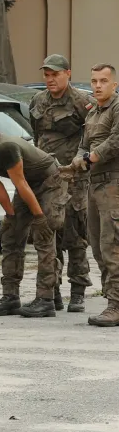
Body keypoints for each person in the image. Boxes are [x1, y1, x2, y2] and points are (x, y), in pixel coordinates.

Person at [0, 115, 66, 318]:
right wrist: (10, 216)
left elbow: (20, 183)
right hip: (27, 184)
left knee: (43, 234)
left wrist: (39, 217)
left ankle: (46, 299)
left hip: (50, 180)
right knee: (10, 235)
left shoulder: (6, 148)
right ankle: (10, 297)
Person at [31, 54, 93, 312]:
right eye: (47, 74)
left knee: (75, 234)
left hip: (75, 177)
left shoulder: (82, 102)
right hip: (48, 176)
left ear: (68, 73)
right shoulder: (38, 100)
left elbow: (92, 135)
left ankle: (77, 290)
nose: (50, 79)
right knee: (49, 233)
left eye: (55, 74)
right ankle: (52, 289)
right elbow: (37, 134)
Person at [79, 64, 119, 326]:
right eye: (94, 80)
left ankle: (115, 305)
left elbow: (116, 140)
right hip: (94, 185)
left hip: (113, 185)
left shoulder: (116, 108)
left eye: (103, 80)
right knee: (96, 245)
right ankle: (110, 298)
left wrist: (92, 156)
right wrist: (77, 161)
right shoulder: (93, 112)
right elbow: (83, 145)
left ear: (114, 84)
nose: (97, 85)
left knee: (112, 245)